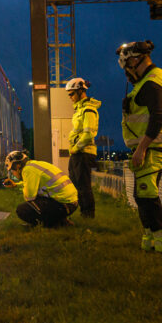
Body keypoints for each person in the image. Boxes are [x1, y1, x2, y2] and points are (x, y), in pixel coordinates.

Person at [117, 40, 162, 254]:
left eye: (127, 67)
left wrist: (141, 148)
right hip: (148, 148)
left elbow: (158, 117)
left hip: (151, 149)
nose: (127, 74)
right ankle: (150, 238)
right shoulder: (149, 81)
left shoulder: (152, 82)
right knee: (142, 195)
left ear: (134, 60)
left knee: (147, 194)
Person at [4, 150, 78, 227]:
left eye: (12, 171)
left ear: (17, 166)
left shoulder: (27, 170)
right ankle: (61, 220)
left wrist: (25, 189)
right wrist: (16, 185)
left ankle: (52, 224)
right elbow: (35, 184)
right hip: (71, 203)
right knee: (39, 198)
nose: (13, 174)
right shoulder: (34, 165)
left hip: (64, 205)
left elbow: (29, 197)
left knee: (22, 209)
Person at [65, 76, 100, 218]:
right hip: (77, 153)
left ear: (81, 91)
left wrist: (76, 148)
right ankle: (80, 212)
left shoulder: (88, 110)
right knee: (74, 184)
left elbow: (88, 134)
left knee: (83, 185)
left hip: (83, 153)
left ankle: (88, 214)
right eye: (69, 94)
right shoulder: (79, 110)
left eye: (72, 94)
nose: (70, 97)